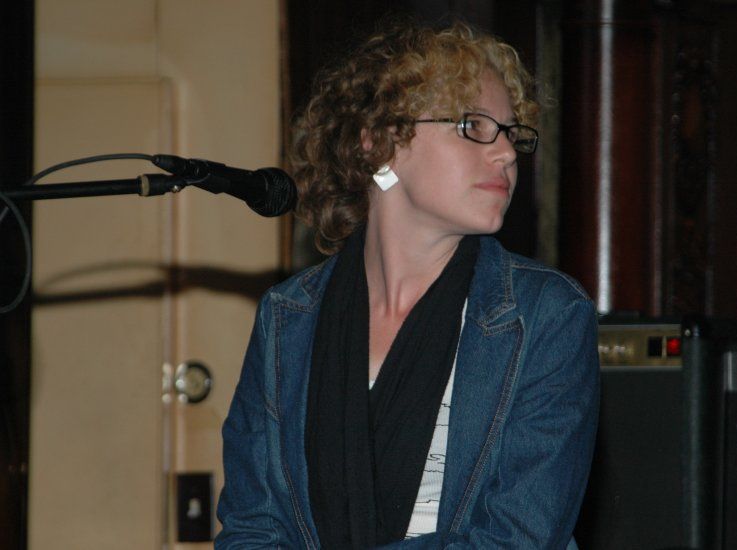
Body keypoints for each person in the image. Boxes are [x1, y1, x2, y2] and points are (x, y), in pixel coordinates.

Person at [216, 19, 599, 549]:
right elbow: (252, 526)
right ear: (379, 143)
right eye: (473, 125)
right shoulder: (287, 317)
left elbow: (517, 538)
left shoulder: (545, 315)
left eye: (512, 133)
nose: (507, 153)